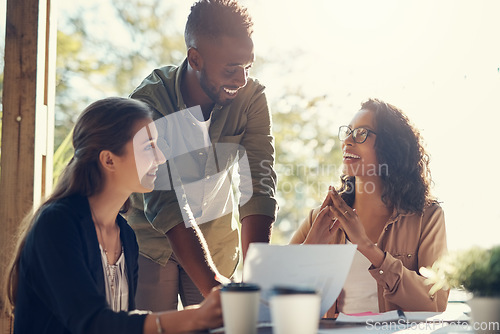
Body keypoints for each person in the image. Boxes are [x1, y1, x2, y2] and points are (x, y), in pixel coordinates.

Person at [4, 97, 223, 334]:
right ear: (109, 159)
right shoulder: (57, 225)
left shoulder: (125, 235)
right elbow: (91, 323)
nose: (160, 157)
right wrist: (193, 318)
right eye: (149, 146)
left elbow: (120, 325)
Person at [127, 0, 278, 311]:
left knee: (224, 324)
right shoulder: (150, 103)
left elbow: (258, 182)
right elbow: (165, 201)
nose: (241, 79)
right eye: (230, 68)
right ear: (195, 58)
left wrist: (255, 279)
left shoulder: (251, 99)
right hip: (154, 240)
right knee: (158, 327)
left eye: (247, 67)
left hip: (216, 238)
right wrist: (214, 288)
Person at [290, 98, 448, 316]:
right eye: (348, 132)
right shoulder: (320, 217)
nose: (347, 140)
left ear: (391, 147)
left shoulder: (427, 217)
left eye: (361, 133)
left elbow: (436, 302)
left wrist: (367, 247)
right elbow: (272, 298)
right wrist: (310, 248)